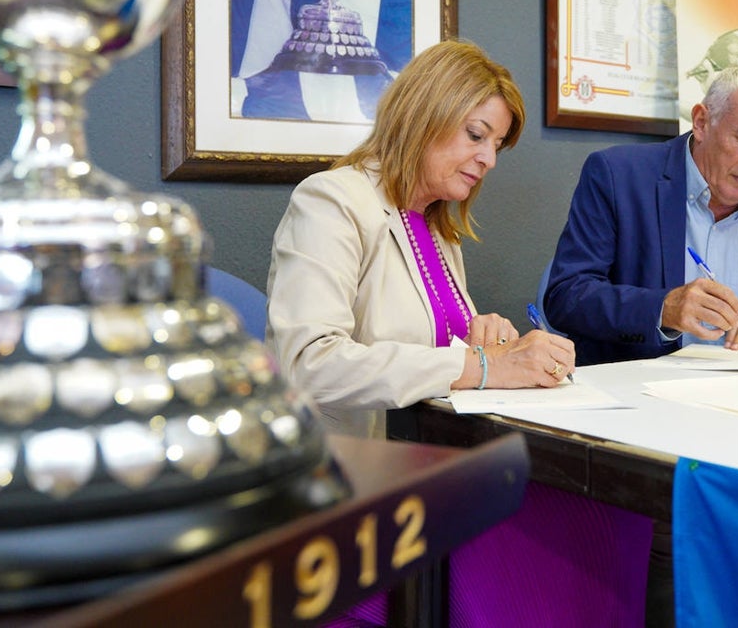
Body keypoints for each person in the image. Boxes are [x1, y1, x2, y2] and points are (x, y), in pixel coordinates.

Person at [267, 39, 653, 627]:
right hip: (359, 484)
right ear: (424, 113)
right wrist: (485, 368)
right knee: (570, 527)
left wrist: (483, 340)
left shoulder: (437, 229)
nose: (489, 159)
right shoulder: (331, 201)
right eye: (476, 135)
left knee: (612, 516)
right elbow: (309, 363)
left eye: (496, 145)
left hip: (440, 465)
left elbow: (429, 349)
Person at [545, 61, 738, 365]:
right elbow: (566, 297)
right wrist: (663, 308)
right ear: (702, 122)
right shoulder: (618, 176)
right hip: (639, 399)